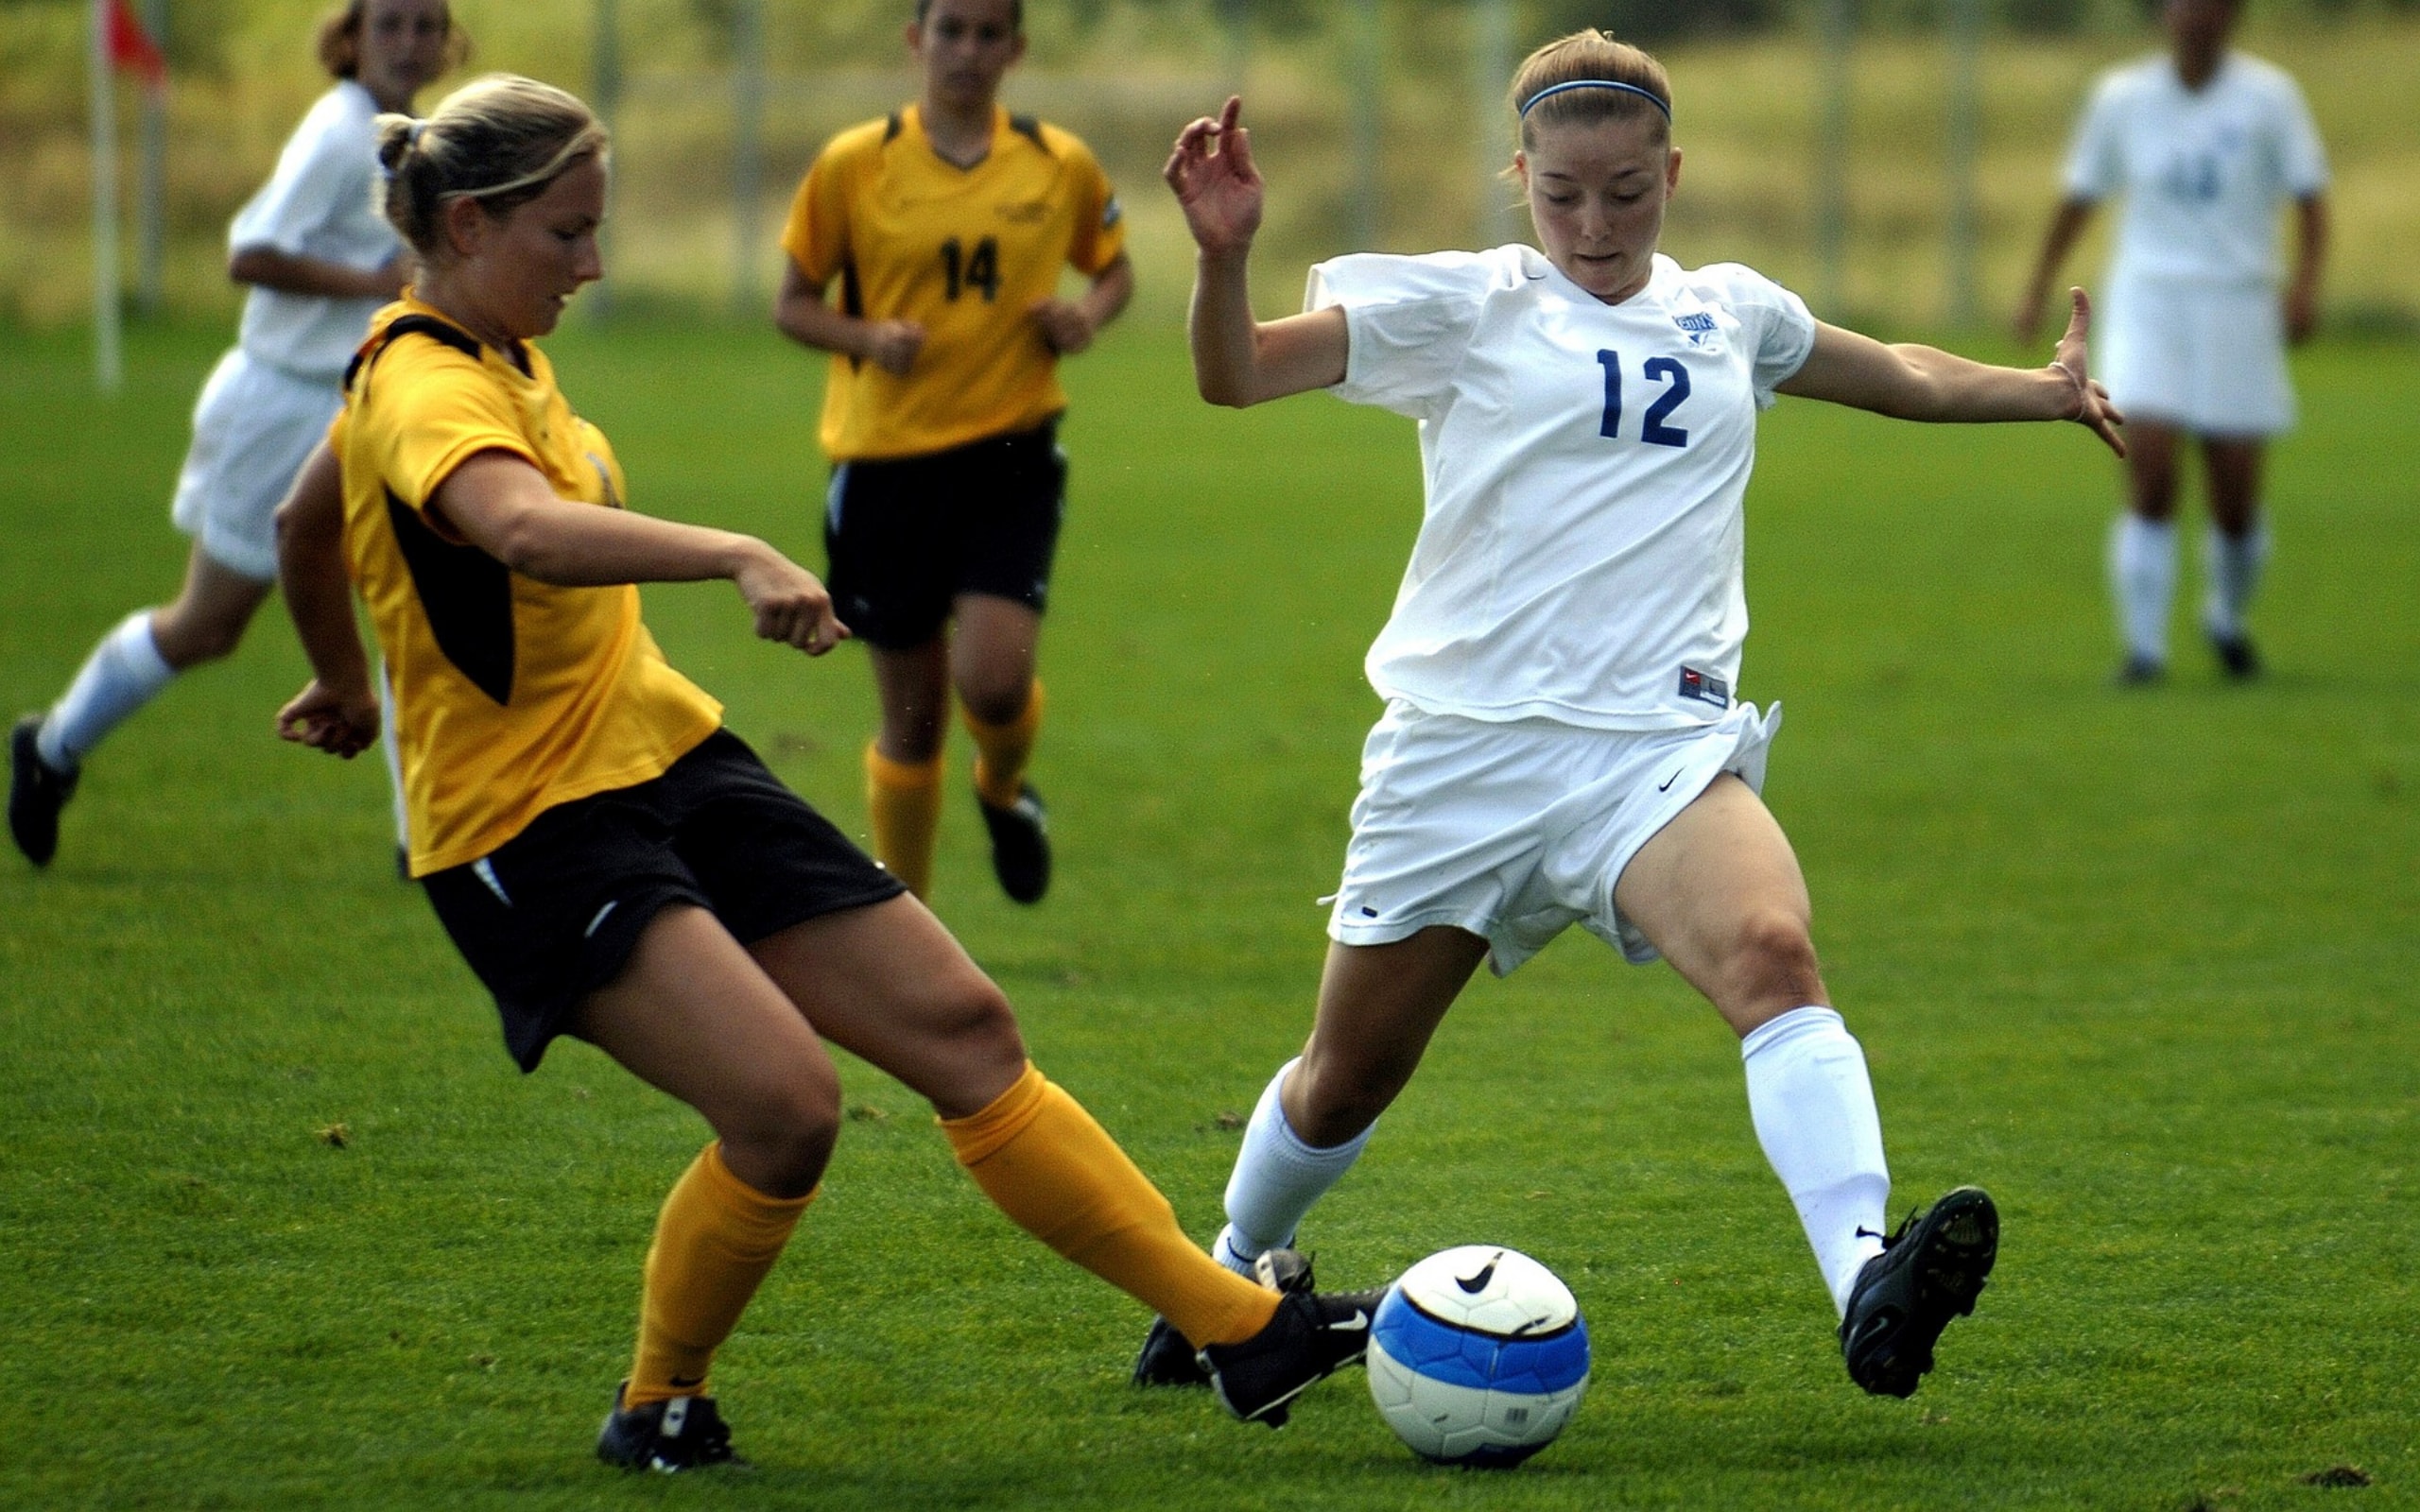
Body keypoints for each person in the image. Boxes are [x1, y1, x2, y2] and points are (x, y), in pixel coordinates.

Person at [271, 75, 1375, 1470]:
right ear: (475, 225)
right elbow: (525, 534)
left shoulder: (473, 355)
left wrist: (333, 671)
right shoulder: (424, 379)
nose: (596, 262)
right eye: (569, 233)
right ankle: (659, 1401)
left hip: (667, 757)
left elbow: (308, 517)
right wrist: (736, 550)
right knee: (785, 1112)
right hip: (529, 825)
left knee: (967, 1031)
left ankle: (1240, 1331)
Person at [1134, 32, 2126, 1402]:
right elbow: (1234, 372)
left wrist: (2049, 392)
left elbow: (1895, 371)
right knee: (1344, 1080)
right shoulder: (1464, 307)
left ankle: (1866, 1277)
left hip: (1654, 755)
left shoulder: (1734, 312)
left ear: (1674, 173)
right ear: (1520, 180)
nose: (1594, 225)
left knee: (1775, 954)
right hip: (1463, 754)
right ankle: (1230, 1274)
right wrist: (1224, 252)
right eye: (1562, 195)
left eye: (1626, 191)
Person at [8, 0, 460, 868]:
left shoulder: (413, 138)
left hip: (363, 407)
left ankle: (424, 840)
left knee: (413, 603)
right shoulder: (340, 134)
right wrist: (367, 280)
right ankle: (52, 746)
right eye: (390, 25)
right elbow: (248, 251)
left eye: (426, 25)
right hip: (278, 406)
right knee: (209, 625)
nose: (410, 43)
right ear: (351, 38)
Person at [772, 0, 1132, 905]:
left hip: (1009, 455)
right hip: (886, 465)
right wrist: (862, 337)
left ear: (1016, 48)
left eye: (987, 34)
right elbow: (793, 303)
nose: (968, 51)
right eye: (951, 31)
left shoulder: (1059, 162)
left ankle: (1004, 789)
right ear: (915, 40)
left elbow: (1114, 266)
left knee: (996, 683)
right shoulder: (856, 164)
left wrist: (1083, 315)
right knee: (914, 719)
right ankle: (912, 926)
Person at [2016, 0, 2327, 683]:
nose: (2195, 15)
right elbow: (2080, 195)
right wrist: (2037, 285)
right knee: (2150, 467)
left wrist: (2305, 287)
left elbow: (2310, 197)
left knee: (2236, 497)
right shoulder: (2122, 96)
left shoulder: (2271, 98)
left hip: (2239, 303)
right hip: (2152, 302)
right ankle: (2144, 650)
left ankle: (2227, 617)